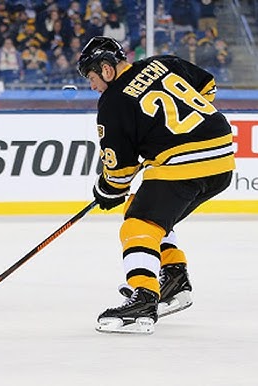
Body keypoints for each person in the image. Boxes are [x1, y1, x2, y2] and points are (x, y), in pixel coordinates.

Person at [77, 36, 235, 334]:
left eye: (92, 78)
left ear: (107, 70)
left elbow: (120, 172)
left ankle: (144, 299)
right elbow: (207, 87)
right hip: (222, 158)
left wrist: (106, 189)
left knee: (137, 226)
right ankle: (174, 278)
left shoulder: (113, 102)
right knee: (149, 214)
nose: (93, 85)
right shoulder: (164, 62)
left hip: (183, 164)